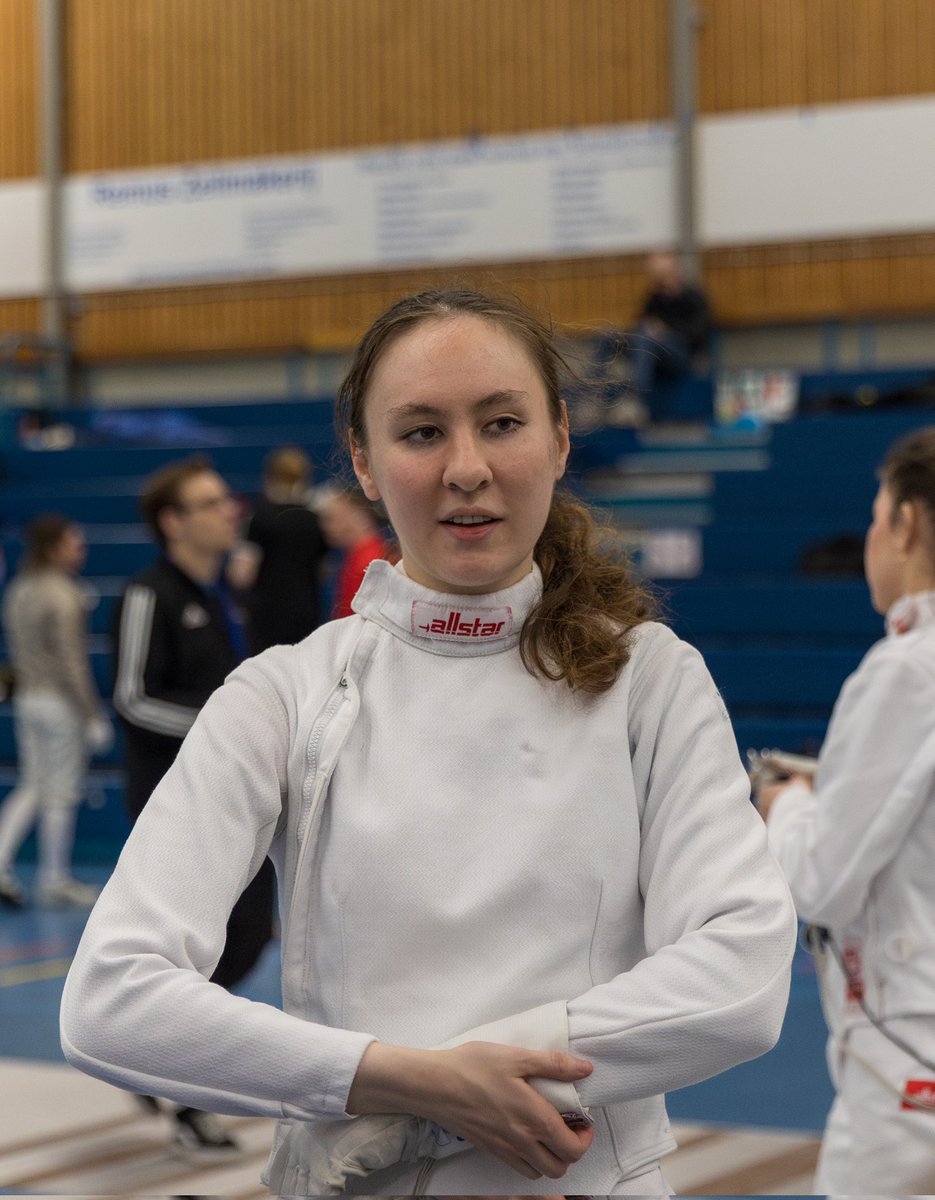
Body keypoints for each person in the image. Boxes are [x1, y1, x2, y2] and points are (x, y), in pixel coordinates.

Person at [62, 289, 796, 1197]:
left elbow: (741, 976)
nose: (466, 468)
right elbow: (110, 1001)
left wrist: (482, 1077)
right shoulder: (284, 694)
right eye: (420, 433)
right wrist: (421, 1084)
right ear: (363, 465)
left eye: (501, 423)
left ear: (560, 438)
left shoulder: (648, 676)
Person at [753, 427, 935, 1196]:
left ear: (907, 523)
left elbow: (819, 882)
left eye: (874, 516)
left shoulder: (906, 668)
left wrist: (786, 806)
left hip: (909, 1054)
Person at [110, 456, 277, 1162]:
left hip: (231, 805)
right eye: (211, 502)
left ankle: (146, 1053)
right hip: (170, 805)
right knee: (194, 953)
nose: (229, 509)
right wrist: (221, 729)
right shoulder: (149, 593)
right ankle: (181, 1088)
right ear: (175, 522)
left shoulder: (218, 596)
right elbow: (132, 697)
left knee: (249, 936)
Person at [0, 515, 112, 908]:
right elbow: (71, 661)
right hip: (58, 704)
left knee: (33, 784)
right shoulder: (62, 593)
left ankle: (2, 863)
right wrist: (92, 713)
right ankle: (54, 877)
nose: (80, 548)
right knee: (60, 792)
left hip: (27, 700)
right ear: (54, 548)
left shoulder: (19, 588)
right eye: (72, 542)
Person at [231, 446, 328, 653]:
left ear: (270, 476)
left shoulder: (260, 518)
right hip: (307, 610)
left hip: (267, 613)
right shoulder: (315, 520)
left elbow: (242, 575)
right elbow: (322, 571)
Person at [619, 250, 713, 423]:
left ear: (673, 273)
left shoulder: (693, 298)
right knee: (611, 336)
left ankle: (636, 401)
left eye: (663, 277)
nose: (660, 283)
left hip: (681, 357)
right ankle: (592, 394)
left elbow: (697, 335)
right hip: (654, 354)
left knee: (647, 338)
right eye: (657, 279)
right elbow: (642, 322)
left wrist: (665, 330)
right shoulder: (655, 298)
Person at [318, 485, 389, 619]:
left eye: (331, 518)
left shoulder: (367, 564)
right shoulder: (361, 557)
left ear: (358, 517)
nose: (325, 527)